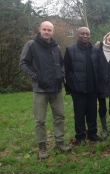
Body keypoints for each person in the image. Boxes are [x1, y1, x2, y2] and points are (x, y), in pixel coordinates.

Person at [19, 21, 71, 159]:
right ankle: (42, 147)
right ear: (39, 30)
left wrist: (62, 75)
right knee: (40, 120)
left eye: (49, 30)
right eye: (44, 29)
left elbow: (61, 64)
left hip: (56, 88)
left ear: (53, 32)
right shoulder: (31, 45)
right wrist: (36, 76)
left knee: (59, 117)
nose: (47, 32)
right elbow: (23, 63)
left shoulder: (56, 47)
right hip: (40, 89)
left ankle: (59, 142)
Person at [64, 27, 102, 145]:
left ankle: (92, 134)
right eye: (82, 34)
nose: (85, 36)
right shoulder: (70, 50)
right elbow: (66, 70)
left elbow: (99, 69)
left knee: (92, 113)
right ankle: (80, 136)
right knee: (79, 114)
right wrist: (69, 87)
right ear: (78, 35)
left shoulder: (95, 50)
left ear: (90, 36)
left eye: (87, 34)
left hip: (92, 88)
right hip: (77, 88)